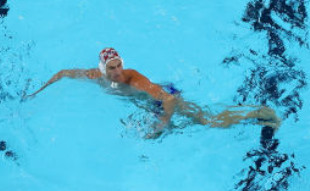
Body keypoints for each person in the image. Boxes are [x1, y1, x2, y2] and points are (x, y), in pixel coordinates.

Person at [27, 47, 279, 135]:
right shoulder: (94, 75)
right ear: (102, 69)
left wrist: (163, 122)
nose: (117, 73)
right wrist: (38, 91)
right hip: (149, 101)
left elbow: (166, 98)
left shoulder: (134, 80)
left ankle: (258, 112)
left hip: (163, 95)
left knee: (208, 121)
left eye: (119, 66)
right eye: (112, 69)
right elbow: (63, 73)